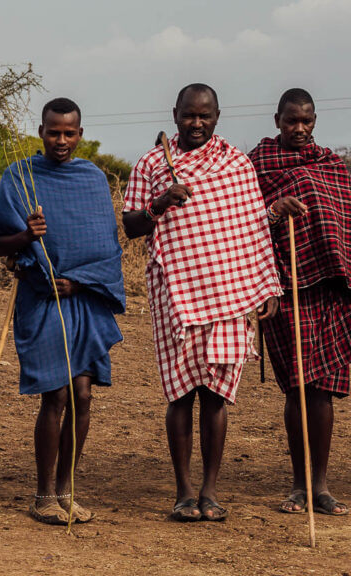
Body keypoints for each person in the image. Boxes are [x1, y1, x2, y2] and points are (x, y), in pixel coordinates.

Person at [122, 84, 281, 522]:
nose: (197, 123)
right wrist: (160, 203)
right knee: (180, 394)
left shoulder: (236, 164)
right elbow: (132, 226)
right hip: (175, 294)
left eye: (205, 116)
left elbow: (253, 229)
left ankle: (210, 491)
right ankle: (183, 490)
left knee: (215, 396)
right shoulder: (153, 163)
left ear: (217, 115)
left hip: (229, 294)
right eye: (189, 115)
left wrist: (264, 286)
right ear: (175, 115)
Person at [0, 97, 125, 526]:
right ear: (41, 132)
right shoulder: (20, 176)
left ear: (81, 134)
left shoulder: (92, 179)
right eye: (54, 132)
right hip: (43, 297)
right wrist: (26, 236)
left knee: (83, 394)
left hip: (85, 298)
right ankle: (43, 494)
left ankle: (68, 489)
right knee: (57, 394)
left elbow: (105, 246)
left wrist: (81, 281)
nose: (61, 140)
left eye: (69, 133)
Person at [248, 88, 351, 516]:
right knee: (299, 388)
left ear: (315, 120)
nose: (298, 129)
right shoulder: (256, 165)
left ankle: (320, 486)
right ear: (277, 120)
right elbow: (241, 220)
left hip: (330, 291)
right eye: (290, 121)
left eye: (305, 121)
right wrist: (272, 208)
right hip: (286, 288)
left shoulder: (332, 165)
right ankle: (299, 485)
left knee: (322, 392)